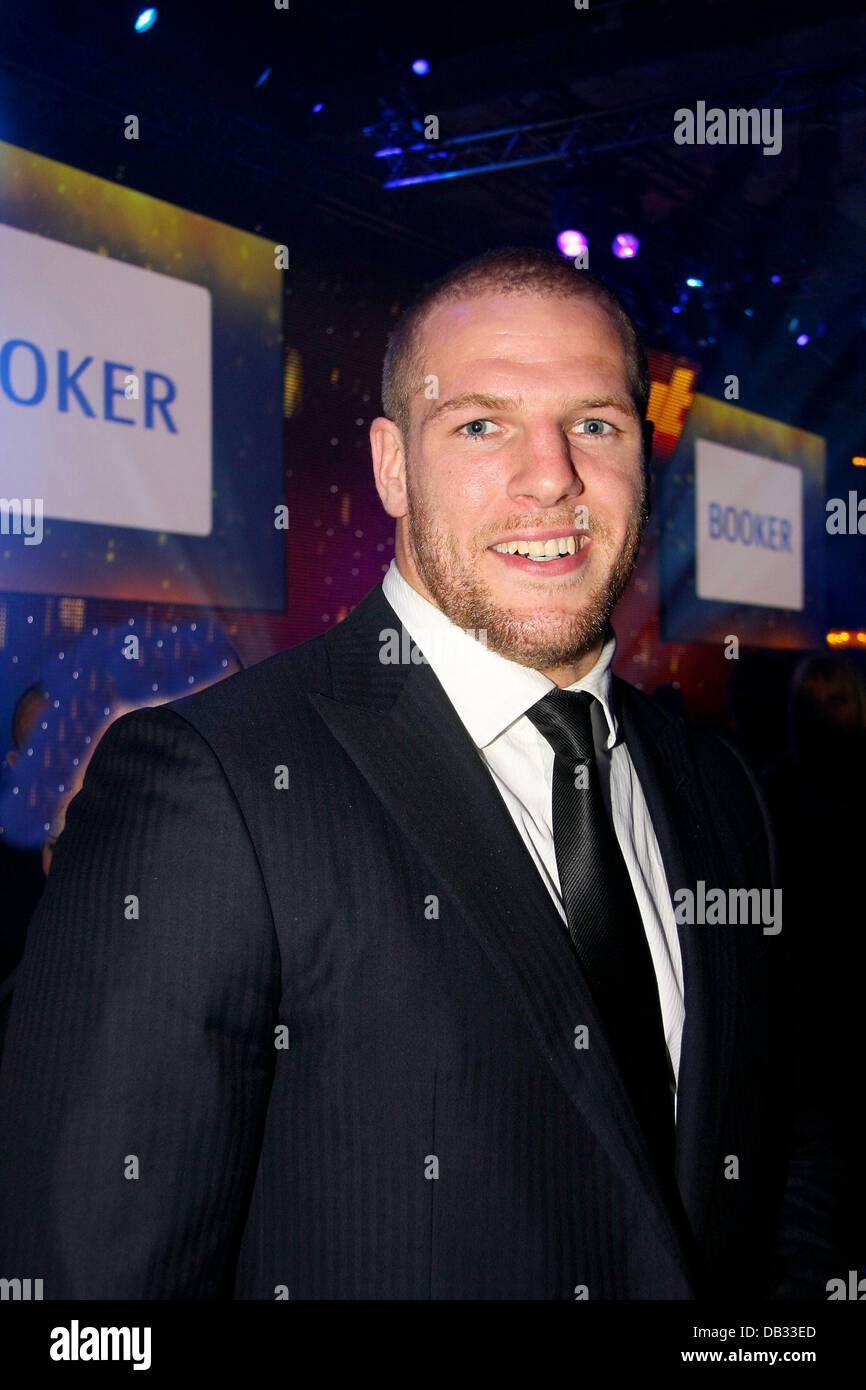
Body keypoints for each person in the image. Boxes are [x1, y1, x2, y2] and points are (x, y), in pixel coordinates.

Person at [0, 247, 839, 1299]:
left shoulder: (715, 787)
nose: (550, 477)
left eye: (594, 423)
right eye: (480, 422)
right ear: (392, 465)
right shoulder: (211, 784)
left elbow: (777, 1125)